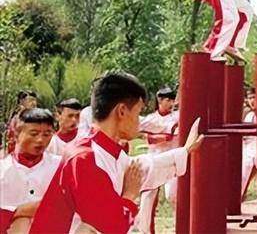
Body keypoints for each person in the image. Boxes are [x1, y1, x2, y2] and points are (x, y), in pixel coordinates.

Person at [29, 72, 203, 234]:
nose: (139, 122)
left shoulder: (107, 152)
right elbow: (112, 225)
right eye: (138, 113)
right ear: (121, 111)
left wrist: (185, 151)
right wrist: (129, 196)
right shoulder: (84, 158)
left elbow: (142, 168)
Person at [1, 109, 60, 233]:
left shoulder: (60, 167)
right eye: (34, 134)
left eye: (47, 134)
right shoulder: (3, 170)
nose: (40, 140)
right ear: (16, 134)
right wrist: (20, 212)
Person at [136, 86, 180, 234]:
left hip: (172, 160)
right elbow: (138, 132)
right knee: (147, 198)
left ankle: (181, 228)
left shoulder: (177, 116)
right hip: (154, 160)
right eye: (168, 100)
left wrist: (158, 135)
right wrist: (156, 137)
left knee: (173, 195)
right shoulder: (150, 118)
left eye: (173, 100)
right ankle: (146, 231)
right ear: (160, 100)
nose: (171, 103)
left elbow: (172, 133)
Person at [241, 89, 257, 200]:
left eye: (254, 97)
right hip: (248, 147)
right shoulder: (248, 114)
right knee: (243, 177)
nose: (252, 100)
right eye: (250, 98)